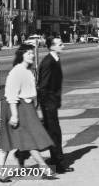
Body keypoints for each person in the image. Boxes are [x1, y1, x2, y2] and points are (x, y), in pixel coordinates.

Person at [0, 44, 55, 182]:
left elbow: (30, 93)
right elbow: (11, 94)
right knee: (10, 141)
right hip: (16, 108)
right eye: (28, 53)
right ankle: (44, 168)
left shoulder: (27, 71)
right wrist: (15, 115)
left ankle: (43, 168)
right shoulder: (17, 71)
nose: (32, 55)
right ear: (21, 55)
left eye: (32, 53)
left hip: (26, 108)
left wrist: (34, 109)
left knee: (27, 140)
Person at [37, 36, 74, 175]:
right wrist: (46, 105)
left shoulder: (55, 59)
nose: (63, 46)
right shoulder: (48, 62)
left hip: (51, 102)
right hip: (48, 103)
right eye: (60, 44)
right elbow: (43, 85)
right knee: (55, 133)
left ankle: (54, 159)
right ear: (52, 47)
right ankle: (59, 164)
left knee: (51, 132)